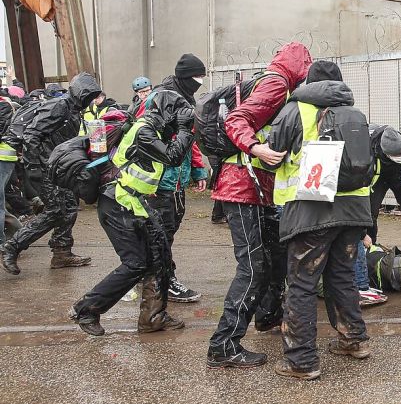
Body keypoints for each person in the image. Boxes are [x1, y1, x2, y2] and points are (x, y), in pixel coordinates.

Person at [266, 62, 374, 380]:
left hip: (312, 210)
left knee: (302, 283)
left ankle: (301, 361)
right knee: (342, 277)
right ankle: (353, 341)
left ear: (308, 83)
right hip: (354, 211)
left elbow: (274, 152)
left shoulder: (295, 109)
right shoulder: (355, 114)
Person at [206, 42, 311, 370]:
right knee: (252, 266)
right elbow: (237, 120)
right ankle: (223, 344)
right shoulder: (277, 84)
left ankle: (267, 316)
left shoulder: (274, 83)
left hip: (254, 188)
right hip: (242, 186)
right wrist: (257, 149)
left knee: (273, 257)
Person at [69, 90, 195, 336]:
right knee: (135, 264)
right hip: (117, 204)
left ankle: (152, 318)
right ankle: (86, 309)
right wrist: (183, 130)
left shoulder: (153, 130)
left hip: (133, 203)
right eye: (177, 117)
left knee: (159, 258)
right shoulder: (144, 131)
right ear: (167, 113)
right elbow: (173, 157)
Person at [2, 73, 102, 275]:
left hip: (59, 167)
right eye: (88, 95)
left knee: (70, 207)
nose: (90, 100)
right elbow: (31, 135)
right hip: (45, 168)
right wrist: (33, 169)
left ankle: (62, 252)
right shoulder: (59, 106)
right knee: (55, 210)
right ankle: (12, 247)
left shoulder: (74, 110)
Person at [140, 54, 210, 303]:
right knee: (161, 233)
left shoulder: (184, 97)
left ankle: (153, 275)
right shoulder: (163, 98)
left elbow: (189, 139)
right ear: (185, 77)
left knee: (166, 231)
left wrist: (198, 170)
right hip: (160, 181)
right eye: (198, 77)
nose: (200, 81)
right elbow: (149, 138)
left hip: (177, 179)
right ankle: (164, 281)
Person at [0, 95, 17, 246]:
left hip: (3, 159)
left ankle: (4, 241)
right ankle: (18, 234)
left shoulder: (3, 106)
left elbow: (1, 130)